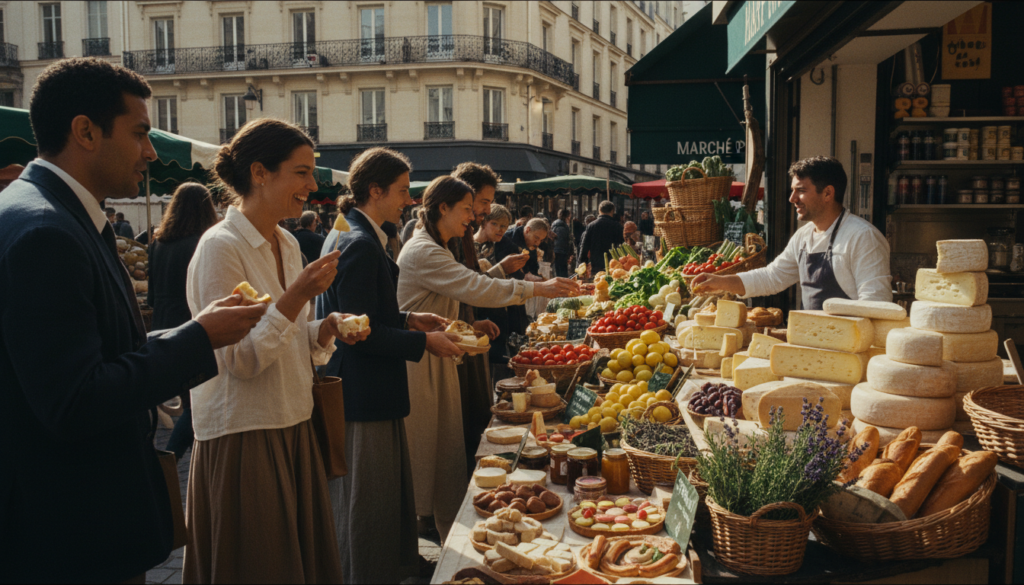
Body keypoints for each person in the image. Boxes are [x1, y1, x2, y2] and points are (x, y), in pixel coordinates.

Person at [0, 56, 265, 583]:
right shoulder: (45, 231)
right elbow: (75, 400)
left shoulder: (48, 212)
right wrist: (199, 338)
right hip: (74, 537)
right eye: (141, 132)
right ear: (85, 132)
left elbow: (99, 351)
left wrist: (196, 331)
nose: (149, 151)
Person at [183, 118, 369, 583]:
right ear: (260, 172)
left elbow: (290, 340)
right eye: (301, 172)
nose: (312, 184)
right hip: (245, 432)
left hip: (293, 422)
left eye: (313, 172)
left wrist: (325, 328)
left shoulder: (286, 242)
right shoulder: (220, 248)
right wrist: (296, 297)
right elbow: (240, 361)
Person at [397, 176, 579, 540]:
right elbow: (473, 285)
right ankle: (437, 532)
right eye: (467, 209)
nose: (473, 218)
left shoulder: (438, 245)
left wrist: (474, 312)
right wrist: (535, 288)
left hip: (439, 355)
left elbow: (457, 286)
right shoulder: (424, 249)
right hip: (422, 364)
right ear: (442, 208)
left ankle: (447, 528)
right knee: (429, 452)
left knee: (444, 451)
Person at [316, 147, 461, 584]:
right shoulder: (360, 243)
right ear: (374, 191)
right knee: (368, 505)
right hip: (365, 395)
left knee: (375, 500)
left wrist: (408, 319)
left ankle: (382, 569)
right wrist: (424, 341)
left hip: (363, 392)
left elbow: (362, 316)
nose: (408, 201)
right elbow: (360, 335)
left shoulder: (352, 233)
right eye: (401, 191)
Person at [692, 156, 892, 309]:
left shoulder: (863, 237)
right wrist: (722, 281)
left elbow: (876, 304)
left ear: (828, 193)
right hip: (811, 344)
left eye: (801, 190)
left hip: (849, 351)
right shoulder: (803, 237)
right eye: (792, 190)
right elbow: (772, 277)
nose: (792, 198)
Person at [449, 162, 527, 478]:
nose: (485, 210)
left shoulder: (463, 233)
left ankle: (477, 473)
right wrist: (534, 286)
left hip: (467, 335)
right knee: (460, 420)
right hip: (451, 344)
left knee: (474, 414)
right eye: (482, 202)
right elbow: (469, 286)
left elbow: (468, 283)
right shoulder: (446, 237)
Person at [148, 182, 220, 460]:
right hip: (191, 328)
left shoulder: (159, 243)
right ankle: (168, 462)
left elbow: (152, 294)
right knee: (196, 408)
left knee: (190, 405)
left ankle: (169, 462)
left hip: (162, 325)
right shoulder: (201, 243)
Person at [579, 200, 625, 274]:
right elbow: (622, 246)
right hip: (614, 266)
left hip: (595, 265)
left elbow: (584, 247)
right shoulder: (617, 226)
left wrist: (582, 264)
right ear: (612, 211)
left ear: (599, 210)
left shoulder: (591, 226)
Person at [551, 208, 574, 277]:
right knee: (562, 272)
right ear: (567, 217)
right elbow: (565, 243)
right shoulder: (563, 227)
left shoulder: (555, 225)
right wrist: (569, 254)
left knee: (558, 271)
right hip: (561, 253)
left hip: (556, 251)